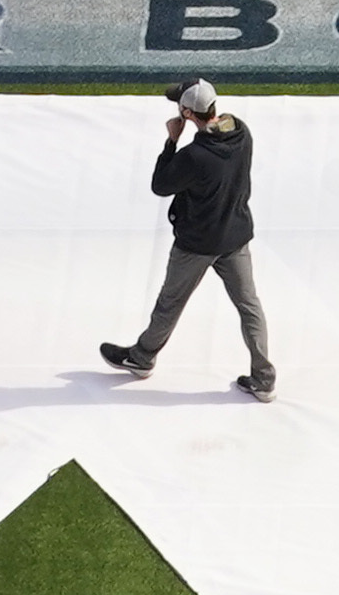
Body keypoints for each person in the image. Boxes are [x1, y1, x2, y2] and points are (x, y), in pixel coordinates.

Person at [97, 79, 276, 400]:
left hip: (197, 243)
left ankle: (142, 357)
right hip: (235, 238)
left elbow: (161, 185)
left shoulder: (194, 155)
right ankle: (264, 378)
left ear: (187, 111)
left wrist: (171, 142)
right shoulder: (241, 131)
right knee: (249, 307)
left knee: (170, 303)